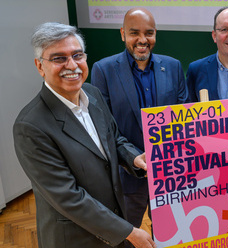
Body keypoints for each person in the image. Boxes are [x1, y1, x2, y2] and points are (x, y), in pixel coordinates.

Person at [13, 22, 156, 248]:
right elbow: (68, 197)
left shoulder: (92, 93)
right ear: (40, 66)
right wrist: (128, 231)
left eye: (77, 55)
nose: (72, 65)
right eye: (59, 58)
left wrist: (133, 158)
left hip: (116, 222)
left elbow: (114, 139)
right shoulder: (30, 126)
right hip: (75, 238)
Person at [91, 8, 189, 230]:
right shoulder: (103, 70)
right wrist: (133, 158)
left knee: (170, 234)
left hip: (170, 176)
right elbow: (104, 126)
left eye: (149, 33)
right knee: (127, 236)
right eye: (134, 32)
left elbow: (184, 117)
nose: (143, 40)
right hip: (126, 177)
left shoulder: (173, 66)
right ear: (123, 33)